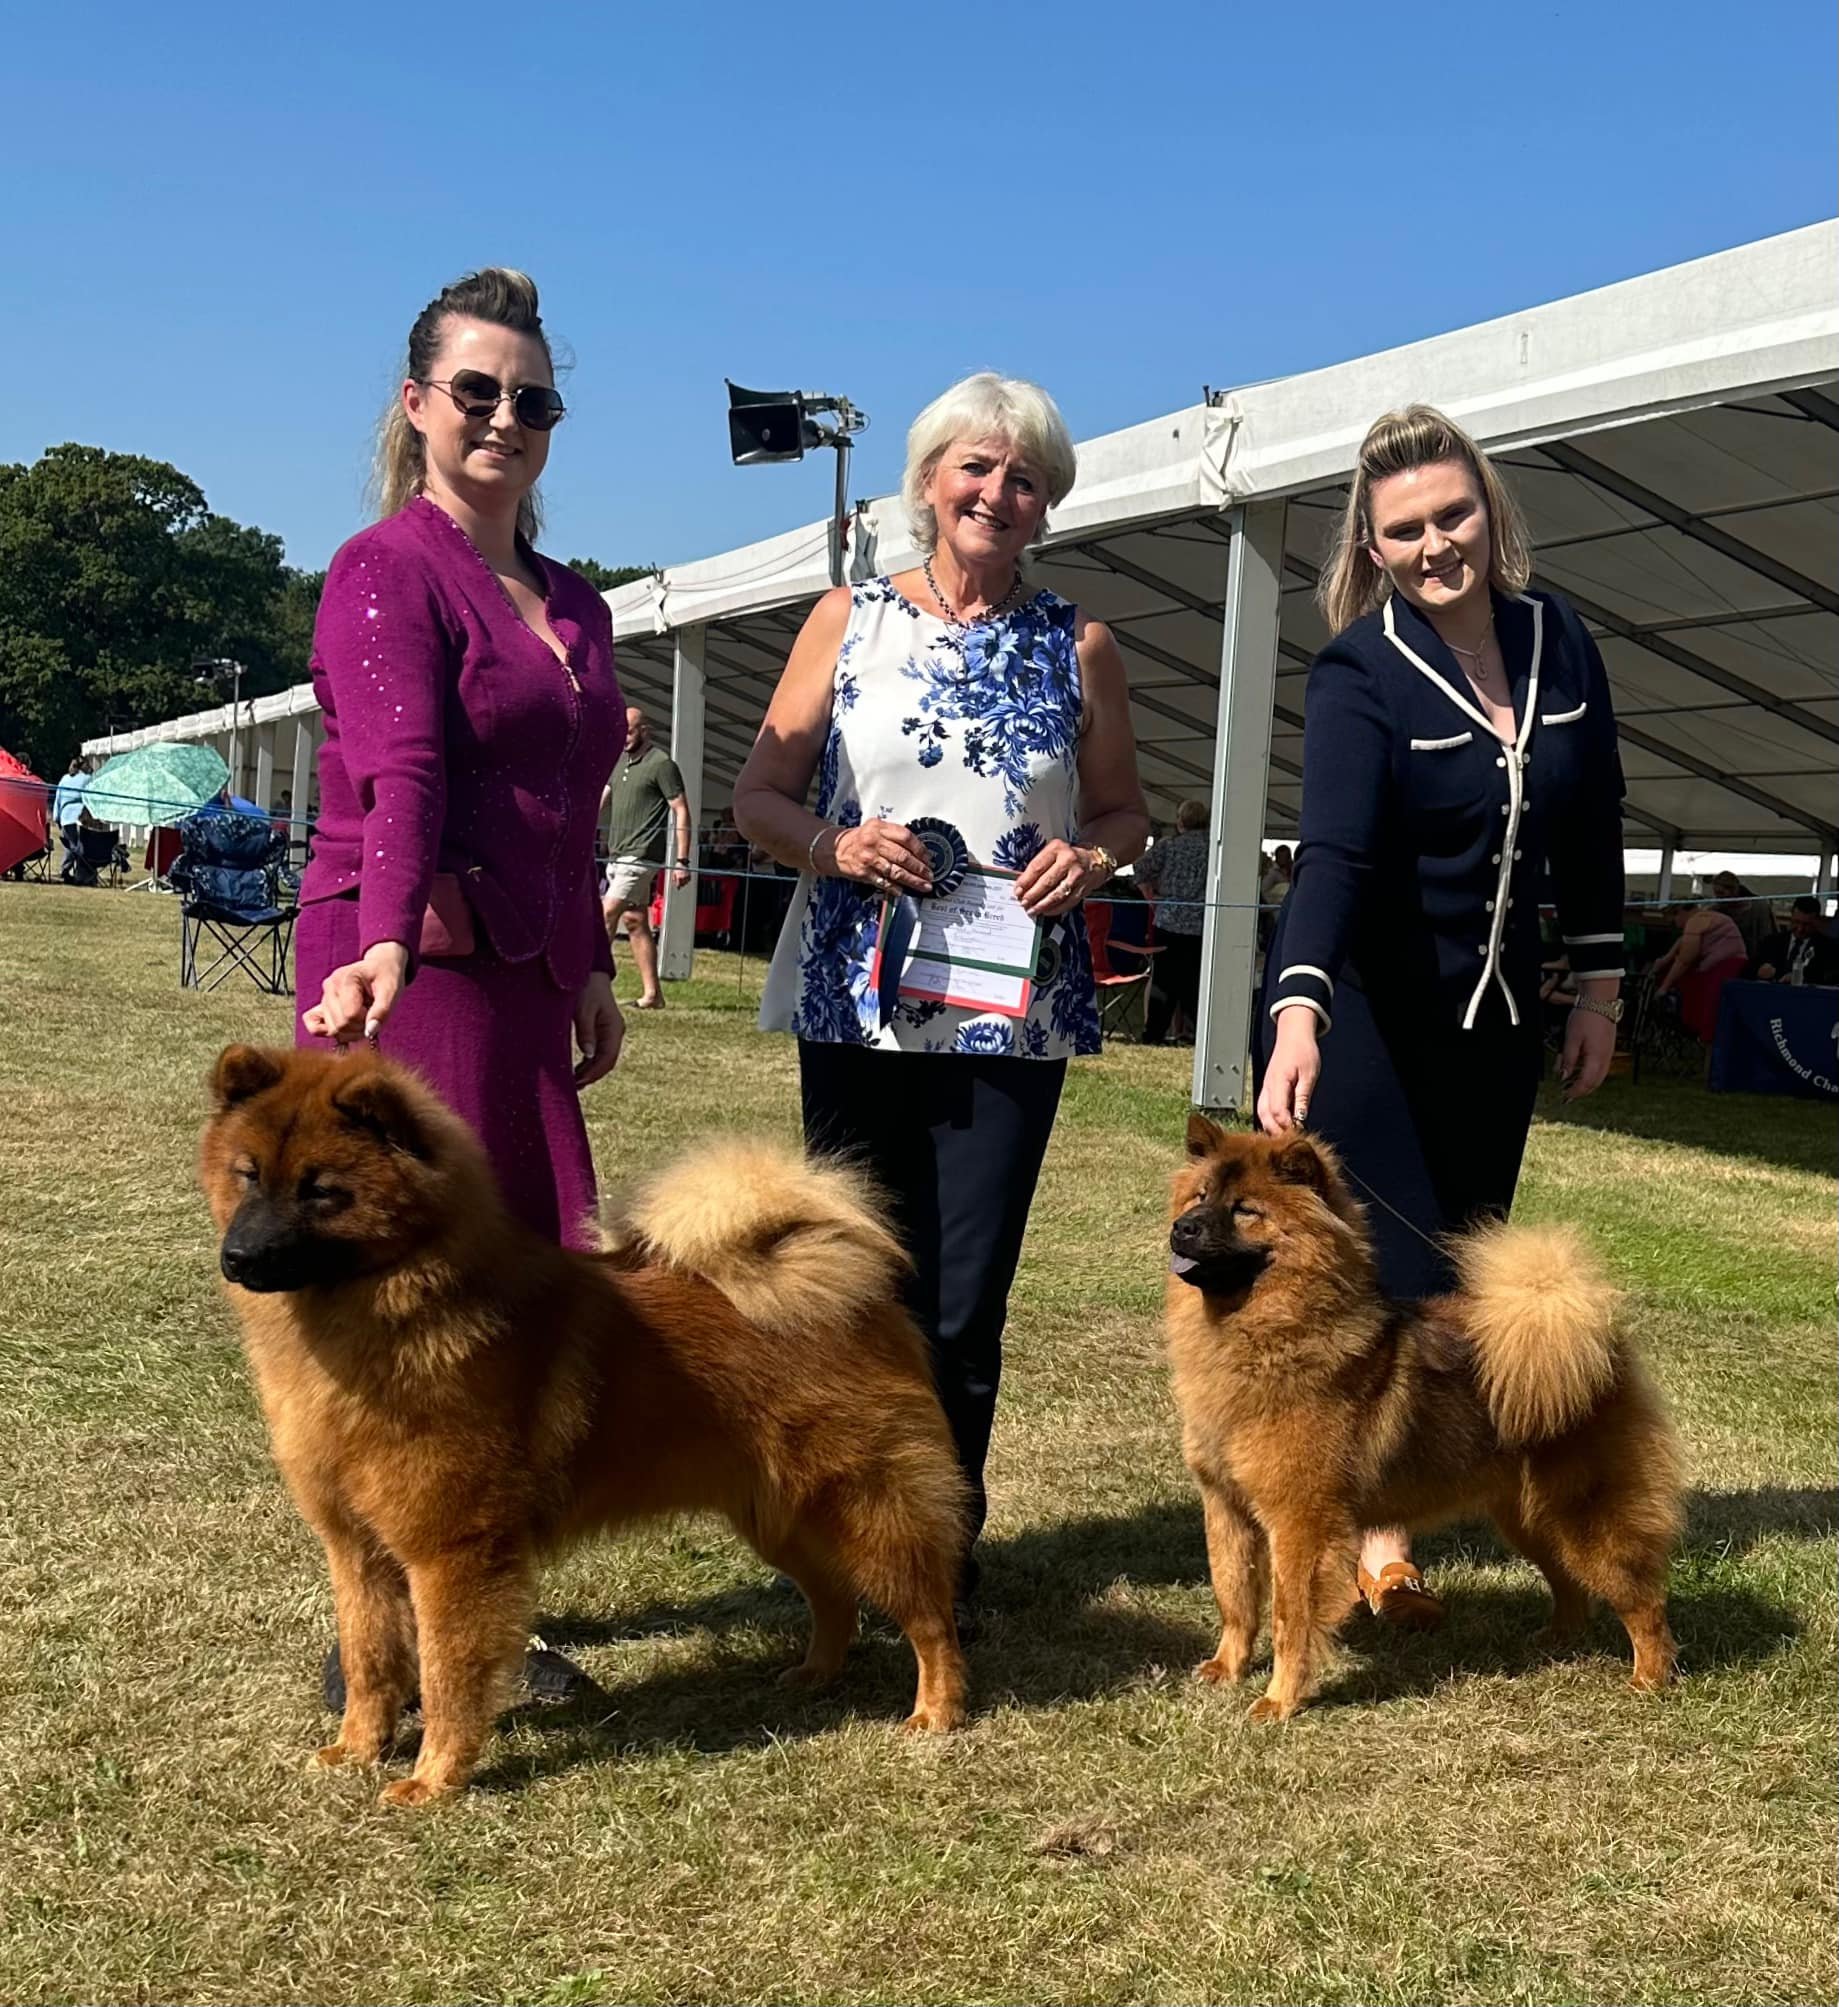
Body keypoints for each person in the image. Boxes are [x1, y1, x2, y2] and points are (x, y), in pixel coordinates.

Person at [735, 372, 1149, 1623]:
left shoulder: (1083, 643)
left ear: (1046, 504)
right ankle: (837, 1540)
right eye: (977, 468)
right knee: (849, 1283)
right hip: (855, 995)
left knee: (966, 1296)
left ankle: (940, 1553)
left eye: (1025, 478)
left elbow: (1126, 811)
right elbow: (761, 795)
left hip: (1009, 1009)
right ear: (926, 482)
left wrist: (1096, 854)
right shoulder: (844, 620)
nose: (998, 493)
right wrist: (834, 847)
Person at [1255, 404, 1627, 1630]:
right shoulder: (1359, 669)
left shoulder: (1559, 636)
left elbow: (1588, 828)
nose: (1435, 545)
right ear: (1371, 545)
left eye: (1453, 515)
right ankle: (1381, 1539)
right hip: (1377, 1024)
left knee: (1472, 1268)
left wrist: (1603, 986)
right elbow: (1338, 857)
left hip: (1506, 1018)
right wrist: (1298, 1012)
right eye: (1405, 529)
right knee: (1383, 1285)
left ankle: (1461, 1483)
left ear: (1492, 512)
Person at [296, 267, 626, 1247]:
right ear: (416, 404)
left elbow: (573, 803)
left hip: (530, 972)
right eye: (475, 392)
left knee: (532, 1292)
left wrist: (594, 966)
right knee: (418, 1293)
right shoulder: (386, 566)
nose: (503, 419)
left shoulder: (582, 605)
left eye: (533, 401)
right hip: (402, 961)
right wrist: (384, 942)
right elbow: (404, 774)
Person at [600, 705, 692, 1009]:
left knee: (606, 913)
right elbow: (604, 796)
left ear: (644, 730)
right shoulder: (618, 760)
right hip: (617, 853)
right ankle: (653, 995)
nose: (624, 737)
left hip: (641, 857)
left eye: (629, 730)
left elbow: (680, 809)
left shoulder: (661, 764)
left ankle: (587, 984)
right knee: (635, 921)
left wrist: (682, 860)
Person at [1135, 798, 1210, 1045]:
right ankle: (1191, 1035)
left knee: (1163, 980)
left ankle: (1154, 1033)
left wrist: (1150, 897)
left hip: (1167, 920)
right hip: (1201, 923)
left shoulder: (1169, 846)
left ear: (1180, 821)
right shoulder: (1214, 849)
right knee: (1195, 981)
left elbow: (1140, 868)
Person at [1754, 896, 1839, 986]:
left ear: (1817, 921)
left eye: (1806, 924)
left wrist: (1801, 978)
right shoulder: (1771, 942)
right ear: (1791, 916)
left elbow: (1831, 977)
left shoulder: (1828, 947)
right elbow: (1748, 970)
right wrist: (1759, 971)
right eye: (1796, 922)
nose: (1800, 929)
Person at [1711, 870, 1774, 962]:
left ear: (1733, 890)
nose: (1718, 898)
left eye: (1721, 893)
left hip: (1755, 961)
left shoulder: (1759, 907)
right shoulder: (1717, 911)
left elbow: (1767, 938)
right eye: (1716, 894)